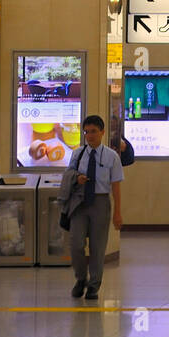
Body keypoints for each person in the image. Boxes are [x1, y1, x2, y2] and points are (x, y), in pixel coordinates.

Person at [65, 115, 123, 300]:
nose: (89, 136)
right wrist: (77, 178)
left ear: (102, 132)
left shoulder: (111, 156)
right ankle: (81, 279)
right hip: (79, 203)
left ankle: (94, 285)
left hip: (100, 202)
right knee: (76, 244)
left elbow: (116, 186)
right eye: (86, 132)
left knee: (98, 247)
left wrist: (118, 213)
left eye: (93, 132)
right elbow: (68, 175)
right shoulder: (77, 154)